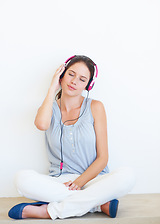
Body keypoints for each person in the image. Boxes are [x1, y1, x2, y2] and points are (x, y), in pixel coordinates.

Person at [8, 55, 135, 220]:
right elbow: (41, 125)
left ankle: (48, 212)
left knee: (128, 175)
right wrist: (52, 88)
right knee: (21, 179)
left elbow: (103, 158)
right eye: (71, 74)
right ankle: (96, 204)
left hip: (94, 179)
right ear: (62, 75)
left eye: (82, 79)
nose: (74, 81)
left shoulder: (96, 107)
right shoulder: (49, 108)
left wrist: (80, 183)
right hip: (61, 182)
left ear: (88, 85)